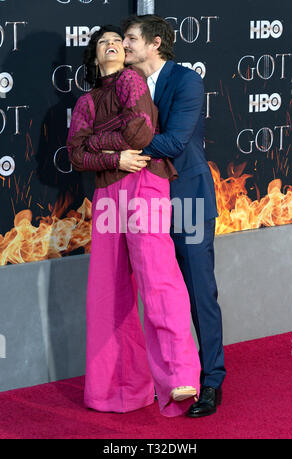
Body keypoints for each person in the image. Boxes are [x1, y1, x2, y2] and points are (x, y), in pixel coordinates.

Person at [67, 24, 201, 417]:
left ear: (126, 53)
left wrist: (97, 140)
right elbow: (76, 155)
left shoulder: (130, 80)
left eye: (117, 41)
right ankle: (116, 392)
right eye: (102, 43)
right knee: (107, 295)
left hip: (145, 180)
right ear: (93, 57)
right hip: (109, 191)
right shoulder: (86, 102)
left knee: (157, 277)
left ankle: (180, 373)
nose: (111, 45)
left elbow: (140, 131)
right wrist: (112, 155)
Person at [122, 14, 226, 417]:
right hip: (142, 202)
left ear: (156, 42)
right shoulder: (123, 85)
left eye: (131, 38)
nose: (124, 45)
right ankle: (165, 379)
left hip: (187, 197)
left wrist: (122, 149)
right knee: (155, 294)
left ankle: (212, 382)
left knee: (200, 292)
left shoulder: (185, 80)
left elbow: (177, 140)